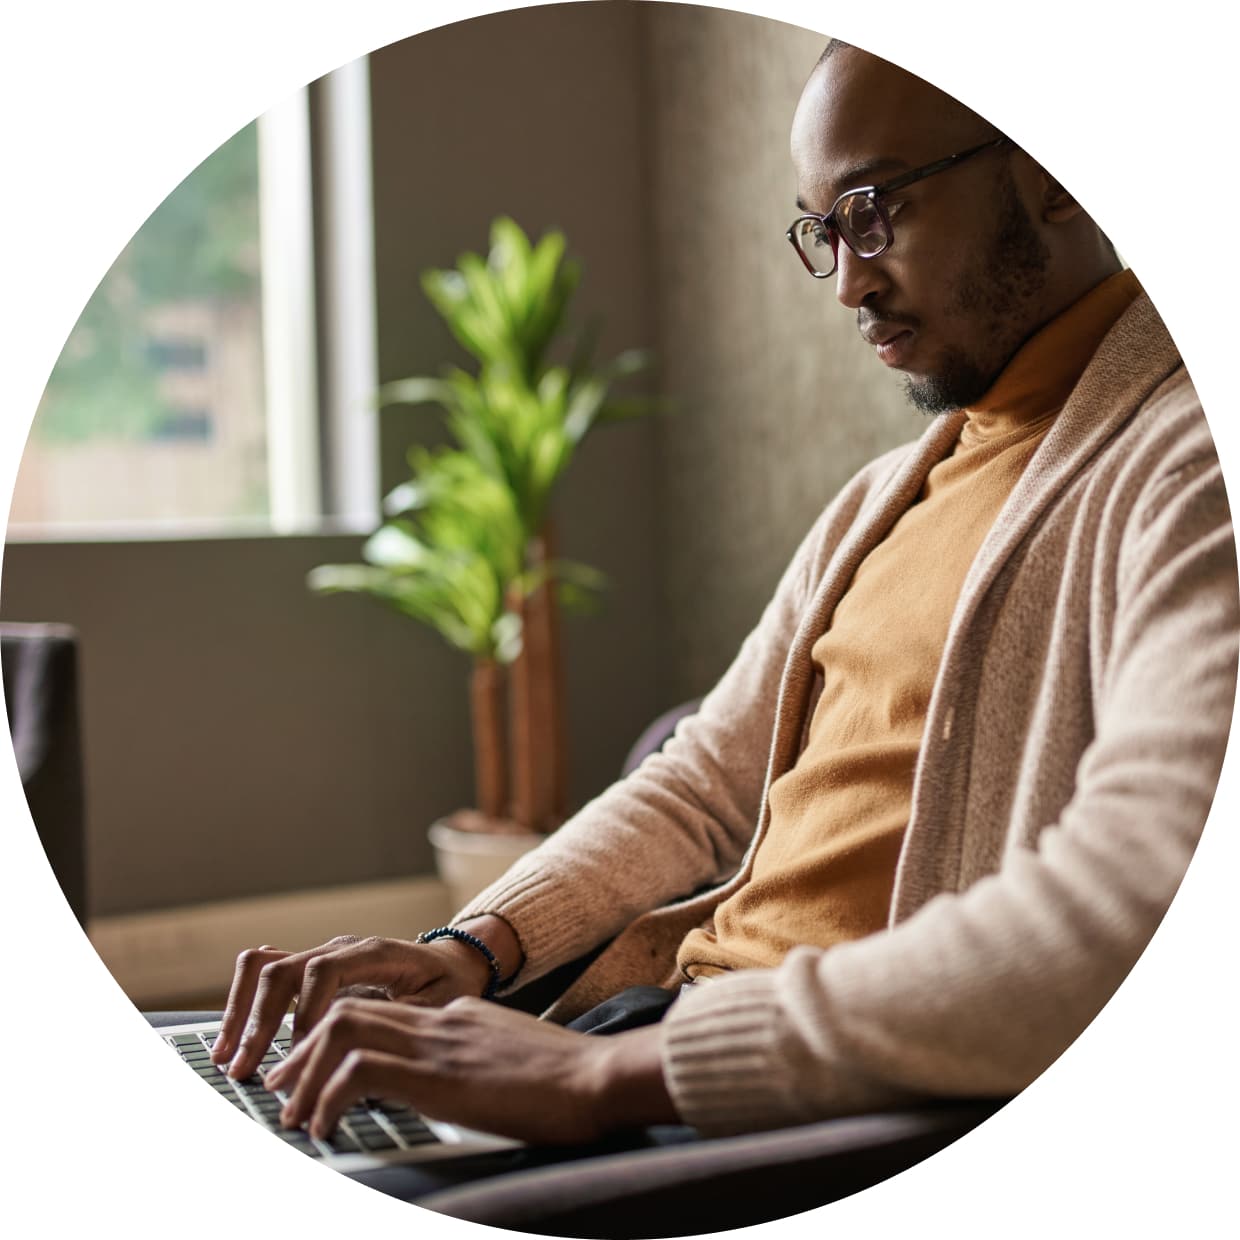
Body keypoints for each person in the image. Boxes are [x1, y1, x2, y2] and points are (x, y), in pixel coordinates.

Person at [209, 40, 1237, 1149]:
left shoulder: (1185, 467)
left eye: (875, 208)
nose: (848, 280)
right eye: (823, 229)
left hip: (803, 1114)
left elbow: (1143, 900)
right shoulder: (886, 495)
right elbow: (701, 781)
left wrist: (612, 1081)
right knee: (267, 1107)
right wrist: (470, 948)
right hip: (658, 1037)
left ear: (1051, 171)